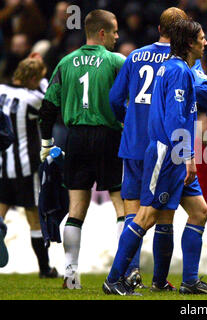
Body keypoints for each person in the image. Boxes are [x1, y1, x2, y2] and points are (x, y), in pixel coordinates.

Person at [103, 18, 207, 296]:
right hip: (168, 155)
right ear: (190, 43)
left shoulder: (177, 67)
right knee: (146, 217)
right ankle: (113, 278)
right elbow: (174, 121)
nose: (206, 42)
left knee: (199, 212)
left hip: (170, 153)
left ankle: (190, 282)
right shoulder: (179, 71)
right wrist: (188, 156)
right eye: (202, 38)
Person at [39, 9, 126, 290]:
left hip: (75, 138)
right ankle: (122, 272)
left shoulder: (65, 62)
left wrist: (46, 144)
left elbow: (48, 107)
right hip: (109, 136)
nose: (117, 35)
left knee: (76, 209)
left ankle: (71, 274)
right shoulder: (116, 61)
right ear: (101, 33)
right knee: (121, 206)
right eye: (113, 30)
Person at [0, 57, 59, 278]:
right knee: (34, 217)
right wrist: (45, 80)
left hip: (2, 165)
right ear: (34, 79)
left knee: (1, 211)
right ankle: (45, 269)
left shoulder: (1, 90)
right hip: (26, 166)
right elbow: (49, 100)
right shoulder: (31, 99)